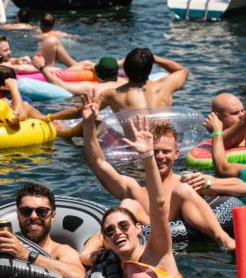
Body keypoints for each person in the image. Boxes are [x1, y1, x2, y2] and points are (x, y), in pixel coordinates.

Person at [91, 115, 246, 278]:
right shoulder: (126, 269)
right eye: (110, 231)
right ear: (104, 240)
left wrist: (148, 157)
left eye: (123, 226)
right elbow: (97, 163)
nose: (118, 232)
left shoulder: (156, 251)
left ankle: (224, 240)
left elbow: (160, 204)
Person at [83, 100, 235, 251]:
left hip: (185, 252)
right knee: (129, 204)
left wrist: (209, 183)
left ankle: (223, 239)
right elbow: (97, 162)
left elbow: (241, 186)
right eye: (155, 151)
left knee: (183, 189)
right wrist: (89, 124)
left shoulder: (188, 181)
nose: (160, 156)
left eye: (166, 151)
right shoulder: (134, 189)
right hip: (148, 250)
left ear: (176, 154)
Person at [0, 124, 86, 278]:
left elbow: (78, 275)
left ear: (52, 216)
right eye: (26, 211)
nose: (33, 216)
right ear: (18, 214)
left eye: (41, 212)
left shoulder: (61, 251)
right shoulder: (8, 240)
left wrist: (25, 255)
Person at [93, 47, 188, 113]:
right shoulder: (164, 86)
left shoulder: (112, 94)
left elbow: (82, 111)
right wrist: (153, 58)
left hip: (136, 141)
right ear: (150, 69)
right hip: (165, 141)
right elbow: (182, 70)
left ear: (125, 68)